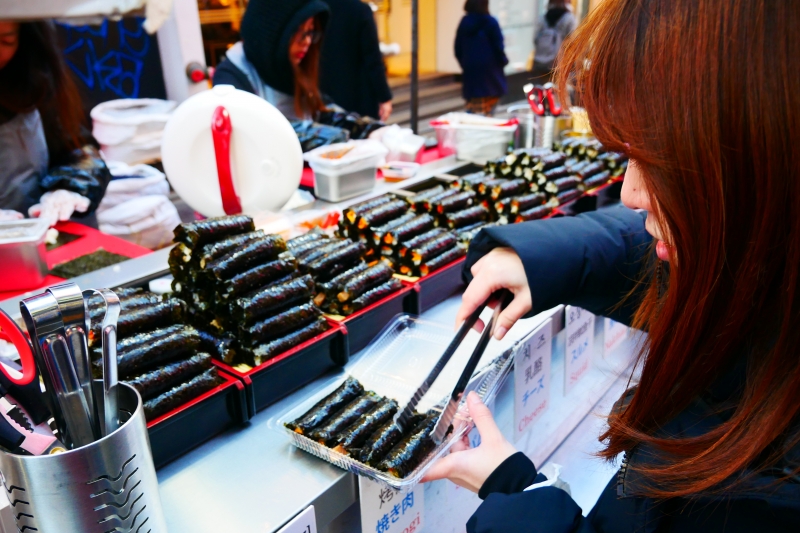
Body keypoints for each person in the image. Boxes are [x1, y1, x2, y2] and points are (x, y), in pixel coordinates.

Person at [423, 0, 800, 531]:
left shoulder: (775, 488)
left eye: (660, 159)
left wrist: (518, 516)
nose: (629, 193)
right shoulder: (763, 279)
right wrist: (541, 259)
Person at [0, 21, 109, 227]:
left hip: (44, 229)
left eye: (6, 41)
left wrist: (69, 187)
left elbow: (78, 151)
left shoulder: (33, 80)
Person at [213, 0, 330, 121]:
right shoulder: (233, 80)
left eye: (310, 31)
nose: (307, 41)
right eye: (297, 30)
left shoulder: (301, 67)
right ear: (269, 33)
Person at [319, 0, 393, 122]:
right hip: (359, 97)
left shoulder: (316, 9)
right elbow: (373, 58)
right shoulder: (360, 10)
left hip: (324, 94)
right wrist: (384, 97)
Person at [454, 0, 508, 116]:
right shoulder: (491, 22)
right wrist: (503, 61)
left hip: (471, 73)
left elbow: (457, 49)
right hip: (491, 73)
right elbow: (498, 47)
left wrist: (466, 63)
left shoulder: (464, 23)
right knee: (489, 108)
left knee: (473, 108)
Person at [531, 0, 577, 85]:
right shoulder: (569, 18)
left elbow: (535, 39)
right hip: (557, 64)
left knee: (540, 88)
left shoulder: (542, 18)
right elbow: (572, 42)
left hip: (539, 62)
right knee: (555, 89)